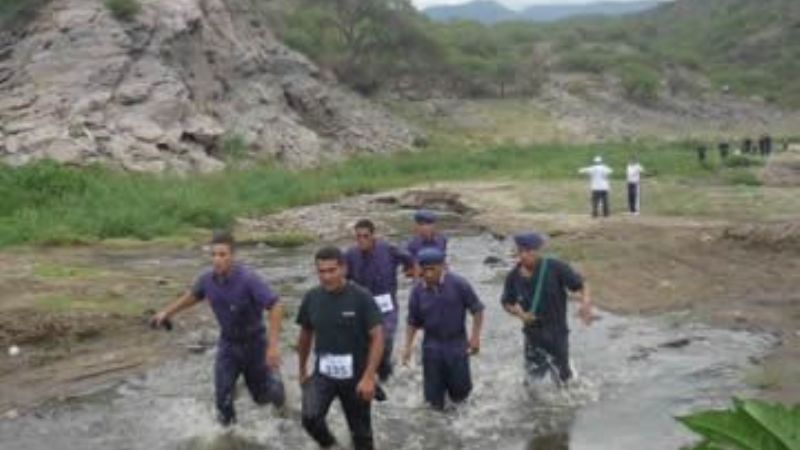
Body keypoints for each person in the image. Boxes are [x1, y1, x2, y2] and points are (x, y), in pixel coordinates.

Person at [150, 231, 285, 426]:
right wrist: (167, 313)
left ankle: (277, 385)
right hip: (228, 345)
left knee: (262, 397)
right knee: (222, 397)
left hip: (254, 344)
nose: (217, 260)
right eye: (214, 255)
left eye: (222, 255)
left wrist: (272, 347)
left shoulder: (248, 279)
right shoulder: (207, 279)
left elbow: (276, 306)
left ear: (233, 255)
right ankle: (229, 437)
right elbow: (193, 296)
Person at [297, 246, 384, 450]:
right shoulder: (312, 297)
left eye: (332, 270)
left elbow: (378, 337)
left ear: (343, 269)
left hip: (356, 377)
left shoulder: (361, 297)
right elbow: (305, 334)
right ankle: (332, 446)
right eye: (321, 271)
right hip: (323, 374)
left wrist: (369, 376)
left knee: (362, 437)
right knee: (310, 418)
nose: (326, 277)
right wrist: (302, 370)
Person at [500, 233, 593, 386]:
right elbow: (506, 302)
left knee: (564, 382)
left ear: (537, 251)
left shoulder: (555, 267)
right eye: (523, 251)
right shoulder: (513, 277)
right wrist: (521, 315)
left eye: (531, 251)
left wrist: (585, 304)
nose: (527, 255)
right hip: (532, 335)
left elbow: (582, 284)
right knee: (532, 382)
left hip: (557, 334)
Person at [401, 248, 485, 411]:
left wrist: (475, 337)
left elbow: (477, 310)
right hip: (431, 347)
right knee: (433, 402)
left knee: (461, 397)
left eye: (433, 269)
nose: (429, 274)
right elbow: (412, 321)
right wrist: (407, 347)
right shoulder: (417, 292)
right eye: (425, 270)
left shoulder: (459, 284)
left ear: (443, 266)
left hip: (457, 345)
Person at [345, 219, 414, 382]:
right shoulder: (350, 254)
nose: (362, 240)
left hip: (386, 306)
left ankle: (385, 373)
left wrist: (411, 271)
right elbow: (342, 277)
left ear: (373, 236)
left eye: (365, 236)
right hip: (363, 306)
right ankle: (368, 374)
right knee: (363, 342)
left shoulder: (389, 250)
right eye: (358, 237)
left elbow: (410, 260)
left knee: (386, 338)